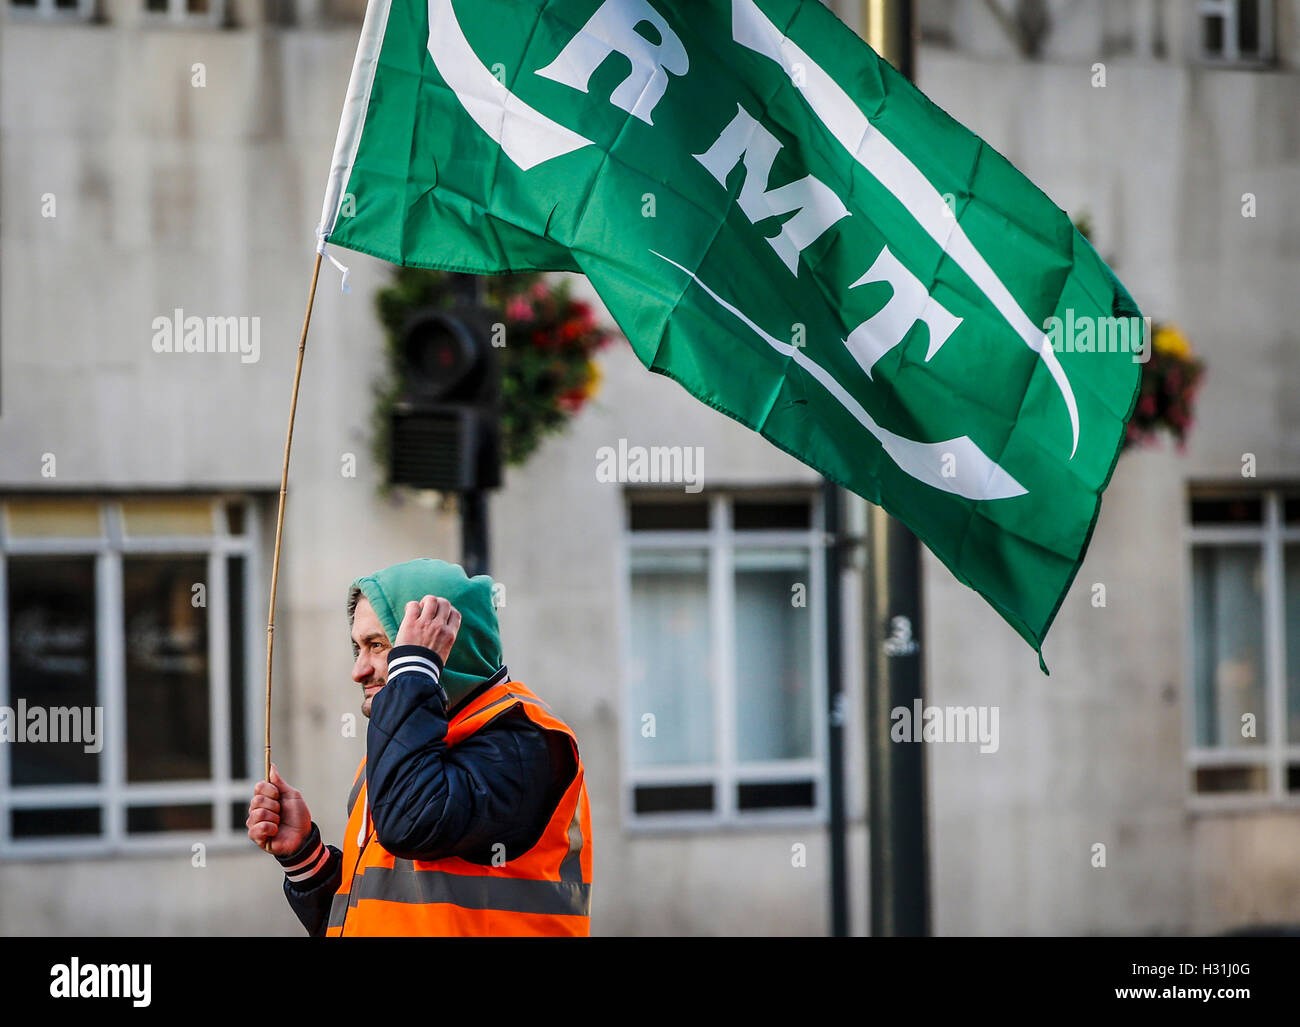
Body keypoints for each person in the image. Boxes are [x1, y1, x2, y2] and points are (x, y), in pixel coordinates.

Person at [246, 558, 592, 936]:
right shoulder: (409, 742)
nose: (358, 670)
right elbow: (375, 916)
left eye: (378, 645)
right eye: (357, 648)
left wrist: (413, 668)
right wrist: (305, 856)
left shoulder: (526, 742)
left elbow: (409, 826)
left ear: (445, 645)